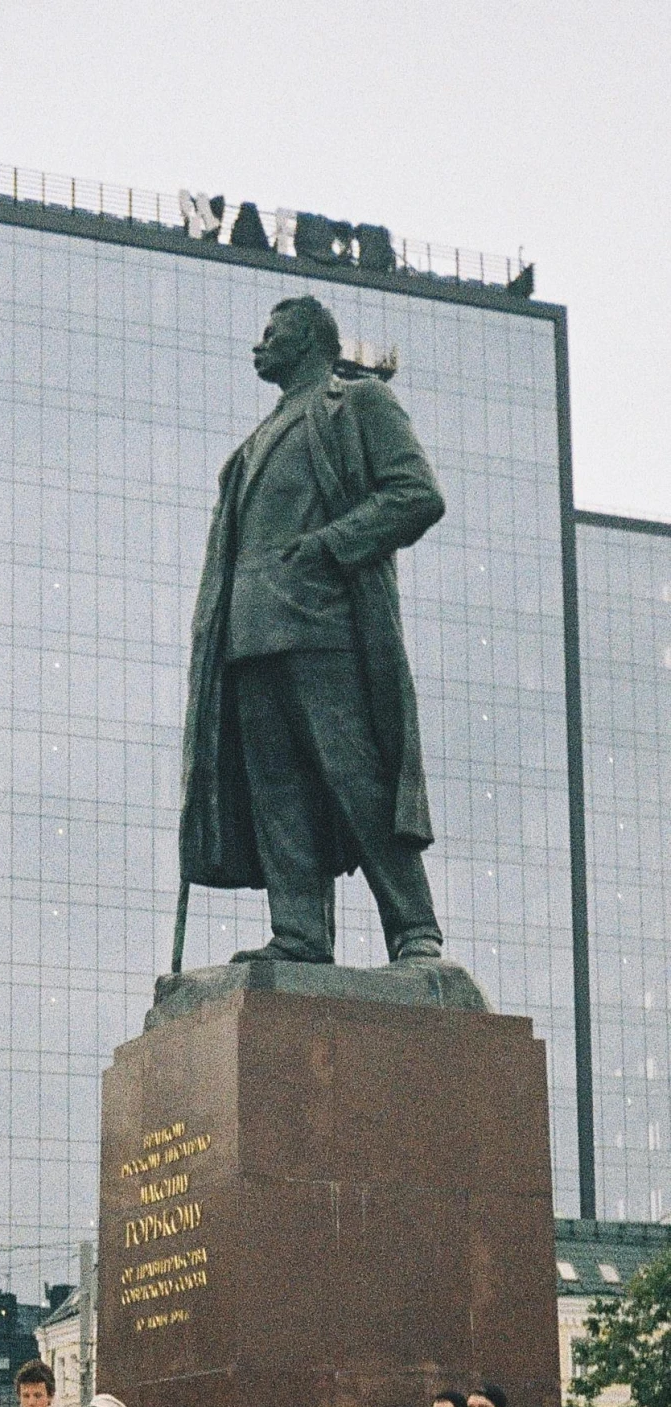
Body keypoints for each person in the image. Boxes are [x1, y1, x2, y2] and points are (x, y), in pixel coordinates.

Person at [179, 294, 447, 967]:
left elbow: (416, 494)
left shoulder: (356, 404)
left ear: (309, 340)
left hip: (325, 627)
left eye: (271, 333)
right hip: (246, 640)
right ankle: (299, 932)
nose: (257, 345)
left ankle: (415, 931)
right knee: (277, 792)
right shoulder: (247, 451)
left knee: (356, 775)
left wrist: (329, 545)